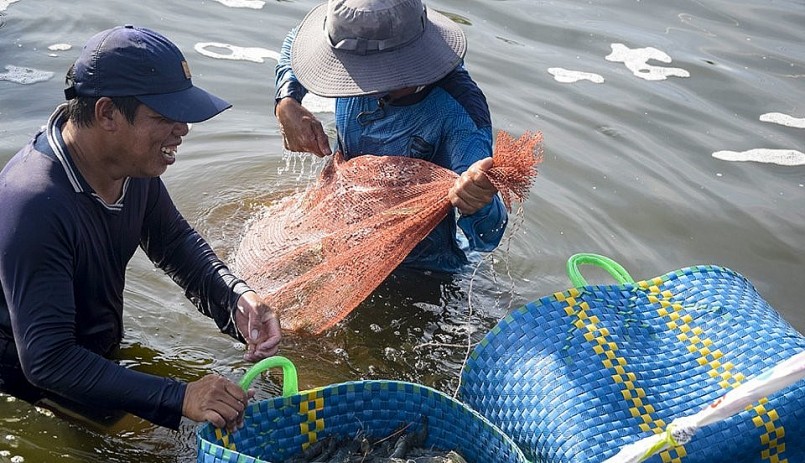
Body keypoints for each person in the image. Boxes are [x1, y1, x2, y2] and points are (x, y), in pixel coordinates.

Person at [0, 25, 282, 431]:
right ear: (107, 113)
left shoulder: (131, 168)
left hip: (94, 355)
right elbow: (49, 359)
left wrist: (235, 300)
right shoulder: (33, 203)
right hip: (32, 382)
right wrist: (179, 396)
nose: (183, 129)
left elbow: (173, 242)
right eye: (165, 116)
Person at [274, 0, 506, 273]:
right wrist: (286, 100)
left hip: (416, 268)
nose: (353, 82)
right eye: (347, 68)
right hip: (340, 237)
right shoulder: (348, 52)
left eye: (362, 72)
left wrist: (478, 202)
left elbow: (489, 237)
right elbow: (295, 41)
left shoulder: (459, 114)